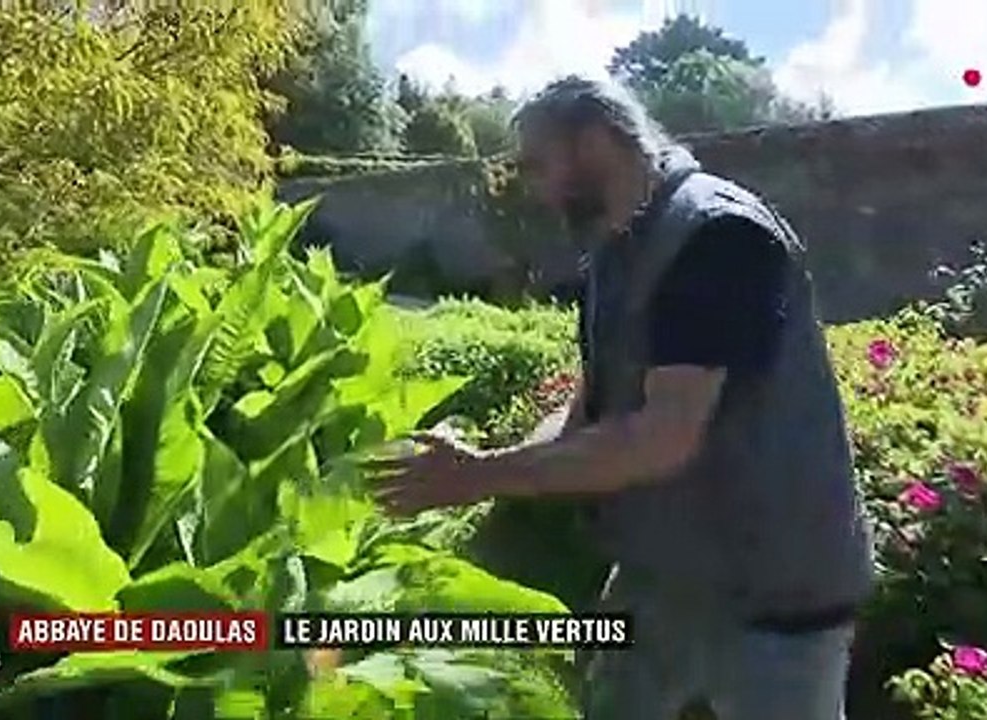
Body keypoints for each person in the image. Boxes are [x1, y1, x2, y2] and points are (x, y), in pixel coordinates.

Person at [372, 75, 875, 720]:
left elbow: (660, 437)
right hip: (663, 576)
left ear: (593, 142)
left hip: (775, 593)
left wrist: (479, 476)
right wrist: (481, 466)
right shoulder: (618, 247)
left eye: (538, 164)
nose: (532, 188)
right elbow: (592, 410)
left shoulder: (718, 236)